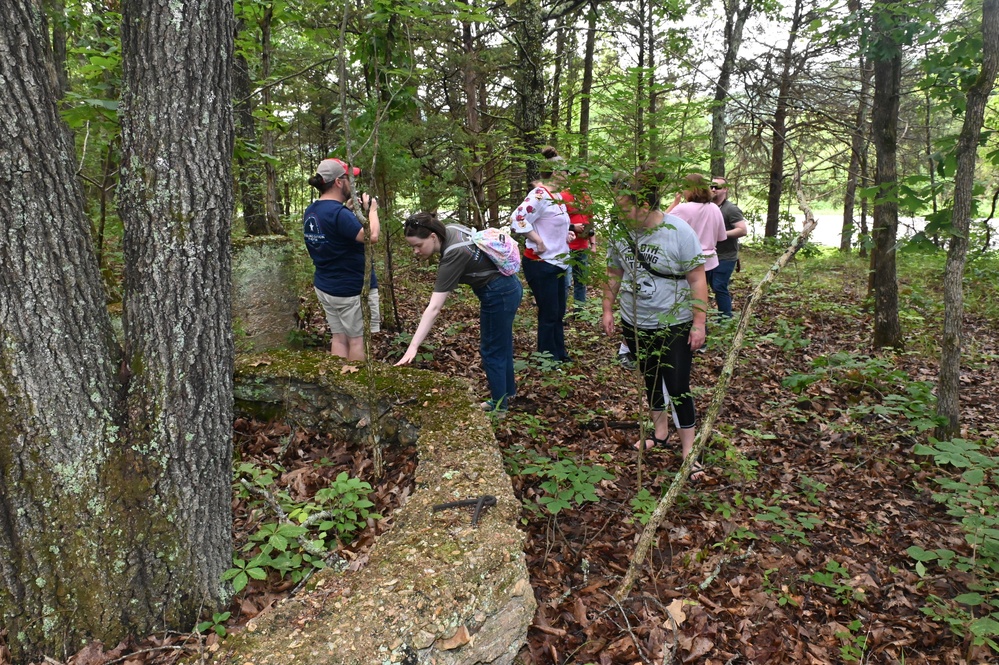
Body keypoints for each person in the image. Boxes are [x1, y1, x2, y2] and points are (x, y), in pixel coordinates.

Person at [602, 167, 709, 479]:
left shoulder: (678, 232)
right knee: (650, 378)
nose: (619, 214)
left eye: (624, 208)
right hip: (635, 322)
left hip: (674, 321)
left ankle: (689, 449)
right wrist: (608, 309)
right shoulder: (620, 232)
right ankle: (660, 432)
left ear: (644, 205)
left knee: (677, 386)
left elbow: (697, 278)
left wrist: (699, 323)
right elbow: (614, 272)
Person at [395, 212, 524, 415]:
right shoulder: (451, 229)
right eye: (413, 247)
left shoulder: (453, 254)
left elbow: (434, 308)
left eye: (418, 245)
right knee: (501, 343)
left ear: (433, 237)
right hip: (508, 287)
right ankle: (505, 395)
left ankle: (499, 407)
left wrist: (413, 346)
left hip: (498, 293)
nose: (416, 251)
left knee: (491, 350)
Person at [303, 157, 380, 360]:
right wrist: (372, 211)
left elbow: (334, 232)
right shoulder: (338, 213)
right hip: (349, 290)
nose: (350, 183)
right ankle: (356, 388)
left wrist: (348, 211)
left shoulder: (312, 210)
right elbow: (372, 236)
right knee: (357, 340)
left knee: (339, 337)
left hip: (326, 286)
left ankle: (339, 383)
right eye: (348, 178)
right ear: (338, 182)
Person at [510, 146, 573, 363]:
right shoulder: (539, 194)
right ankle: (546, 358)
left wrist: (567, 235)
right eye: (566, 172)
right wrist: (537, 240)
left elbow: (553, 224)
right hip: (541, 262)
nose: (569, 176)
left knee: (558, 313)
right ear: (556, 173)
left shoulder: (556, 196)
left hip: (558, 263)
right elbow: (518, 218)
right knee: (549, 313)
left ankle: (559, 354)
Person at [666, 173, 727, 274]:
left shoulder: (682, 209)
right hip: (709, 262)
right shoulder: (715, 208)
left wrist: (675, 202)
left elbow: (660, 224)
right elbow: (721, 237)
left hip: (688, 261)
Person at [709, 177, 748, 318]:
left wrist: (720, 234)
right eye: (711, 186)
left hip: (726, 256)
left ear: (725, 189)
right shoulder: (707, 206)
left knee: (719, 286)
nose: (713, 189)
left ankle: (725, 319)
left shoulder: (730, 209)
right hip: (708, 256)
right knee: (711, 286)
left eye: (717, 187)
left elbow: (742, 230)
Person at [562, 181, 595, 307]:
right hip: (566, 246)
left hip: (582, 246)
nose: (586, 182)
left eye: (587, 178)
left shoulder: (586, 198)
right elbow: (556, 221)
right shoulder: (563, 196)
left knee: (581, 281)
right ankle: (561, 313)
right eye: (583, 178)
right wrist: (572, 228)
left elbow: (590, 222)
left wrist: (593, 244)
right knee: (565, 283)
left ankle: (579, 313)